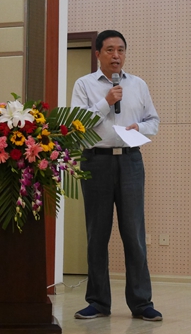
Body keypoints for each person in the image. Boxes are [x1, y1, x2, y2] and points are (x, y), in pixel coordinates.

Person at [71, 30, 162, 322]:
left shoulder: (138, 84)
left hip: (131, 161)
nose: (116, 55)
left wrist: (140, 128)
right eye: (109, 50)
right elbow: (77, 124)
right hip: (95, 161)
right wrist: (106, 102)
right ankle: (98, 302)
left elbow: (153, 121)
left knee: (134, 233)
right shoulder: (84, 84)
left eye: (120, 50)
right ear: (98, 53)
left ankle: (141, 303)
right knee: (97, 234)